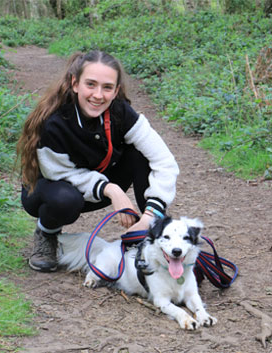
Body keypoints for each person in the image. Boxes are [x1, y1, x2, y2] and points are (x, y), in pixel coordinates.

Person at [16, 50, 179, 272]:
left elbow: (165, 161)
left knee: (140, 154)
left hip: (96, 187)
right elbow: (60, 174)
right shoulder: (53, 123)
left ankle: (154, 232)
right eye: (90, 84)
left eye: (107, 87)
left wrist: (152, 214)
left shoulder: (122, 113)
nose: (98, 95)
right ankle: (47, 234)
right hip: (48, 190)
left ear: (116, 91)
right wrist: (112, 190)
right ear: (75, 84)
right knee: (65, 200)